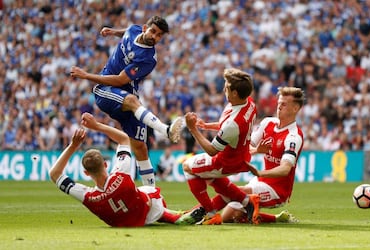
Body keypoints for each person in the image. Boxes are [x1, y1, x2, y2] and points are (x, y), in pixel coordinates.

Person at [70, 16, 183, 187]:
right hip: (104, 91)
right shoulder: (134, 29)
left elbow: (120, 80)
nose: (155, 37)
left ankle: (152, 195)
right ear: (145, 28)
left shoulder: (148, 59)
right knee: (131, 100)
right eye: (153, 31)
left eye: (159, 35)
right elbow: (127, 33)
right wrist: (113, 32)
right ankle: (165, 130)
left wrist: (87, 75)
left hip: (123, 91)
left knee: (140, 148)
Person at [49, 112, 200, 227]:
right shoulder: (121, 174)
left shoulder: (88, 197)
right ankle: (171, 216)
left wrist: (73, 146)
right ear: (106, 164)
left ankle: (172, 216)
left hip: (123, 222)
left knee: (137, 197)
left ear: (86, 173)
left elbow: (55, 174)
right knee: (147, 190)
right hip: (147, 212)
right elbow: (124, 139)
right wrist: (96, 126)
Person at [179, 68, 260, 225]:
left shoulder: (233, 124)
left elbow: (211, 150)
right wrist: (207, 126)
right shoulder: (249, 104)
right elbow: (228, 129)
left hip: (226, 161)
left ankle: (210, 213)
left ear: (235, 93)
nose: (224, 89)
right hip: (241, 156)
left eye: (227, 87)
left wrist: (192, 128)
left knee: (187, 167)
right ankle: (247, 202)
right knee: (208, 175)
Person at [220, 86, 305, 224]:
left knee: (234, 191)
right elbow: (246, 146)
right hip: (259, 183)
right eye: (279, 103)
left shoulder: (293, 136)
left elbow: (285, 169)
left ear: (295, 108)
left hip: (277, 191)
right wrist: (256, 150)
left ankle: (202, 212)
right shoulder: (268, 123)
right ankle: (277, 218)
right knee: (229, 216)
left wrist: (260, 173)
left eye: (284, 104)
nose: (279, 107)